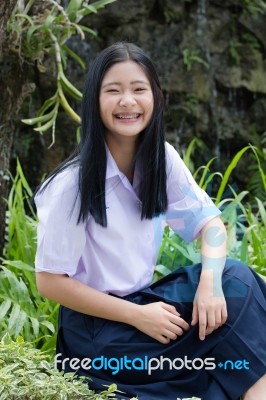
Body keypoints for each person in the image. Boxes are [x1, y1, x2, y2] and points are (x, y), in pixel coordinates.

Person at [34, 42, 266, 400]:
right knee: (228, 346)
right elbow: (49, 282)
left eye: (139, 89)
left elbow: (212, 225)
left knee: (237, 281)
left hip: (145, 305)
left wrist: (209, 283)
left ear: (155, 96)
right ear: (94, 102)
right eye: (113, 91)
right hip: (97, 334)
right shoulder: (70, 185)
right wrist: (137, 317)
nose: (128, 101)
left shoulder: (161, 159)